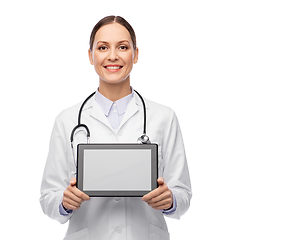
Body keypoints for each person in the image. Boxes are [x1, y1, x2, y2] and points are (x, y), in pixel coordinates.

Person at [40, 15, 192, 240]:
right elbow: (47, 197)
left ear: (136, 54)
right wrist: (64, 202)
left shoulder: (164, 117)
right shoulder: (67, 120)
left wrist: (170, 201)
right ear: (91, 56)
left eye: (122, 47)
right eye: (102, 47)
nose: (113, 56)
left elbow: (183, 194)